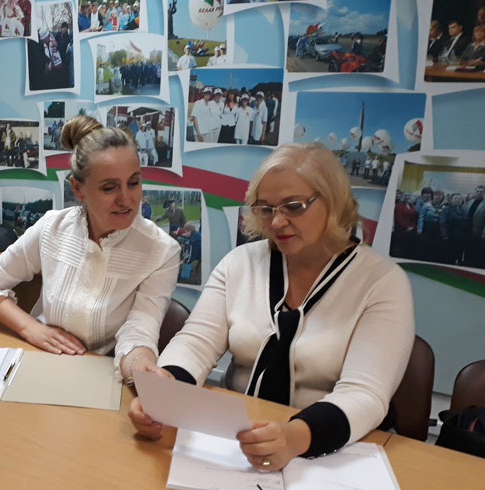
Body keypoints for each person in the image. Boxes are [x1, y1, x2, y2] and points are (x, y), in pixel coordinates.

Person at [128, 143, 414, 471]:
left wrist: (293, 438)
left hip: (333, 449)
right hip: (239, 440)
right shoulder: (240, 263)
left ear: (334, 203)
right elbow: (196, 344)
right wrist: (167, 389)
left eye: (293, 207)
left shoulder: (381, 281)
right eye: (265, 209)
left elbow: (365, 395)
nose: (277, 222)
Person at [0, 115, 180, 379]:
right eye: (109, 188)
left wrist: (140, 368)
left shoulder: (161, 251)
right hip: (39, 364)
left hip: (100, 377)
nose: (126, 199)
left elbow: (139, 333)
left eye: (134, 182)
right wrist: (30, 328)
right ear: (78, 189)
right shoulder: (52, 227)